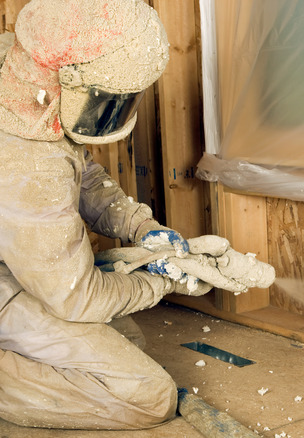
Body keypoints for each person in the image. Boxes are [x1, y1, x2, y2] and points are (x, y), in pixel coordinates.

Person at [0, 0, 212, 429]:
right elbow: (79, 297)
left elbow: (82, 178)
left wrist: (142, 228)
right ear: (71, 80)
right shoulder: (24, 161)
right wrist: (163, 282)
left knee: (127, 336)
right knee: (149, 397)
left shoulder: (25, 75)